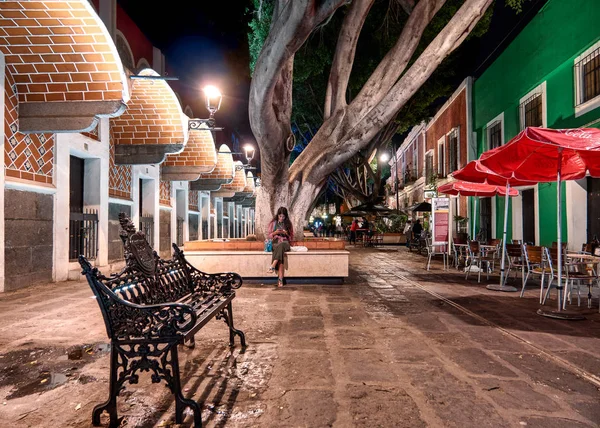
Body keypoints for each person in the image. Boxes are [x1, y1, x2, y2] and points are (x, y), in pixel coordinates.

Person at [267, 207, 294, 287]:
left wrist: (286, 233)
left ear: (286, 217)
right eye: (280, 216)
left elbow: (291, 237)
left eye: (283, 217)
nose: (281, 218)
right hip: (275, 242)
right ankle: (280, 280)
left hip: (285, 243)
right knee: (280, 252)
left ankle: (273, 265)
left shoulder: (288, 224)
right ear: (277, 215)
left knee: (281, 246)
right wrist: (275, 233)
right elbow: (269, 236)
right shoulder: (273, 223)